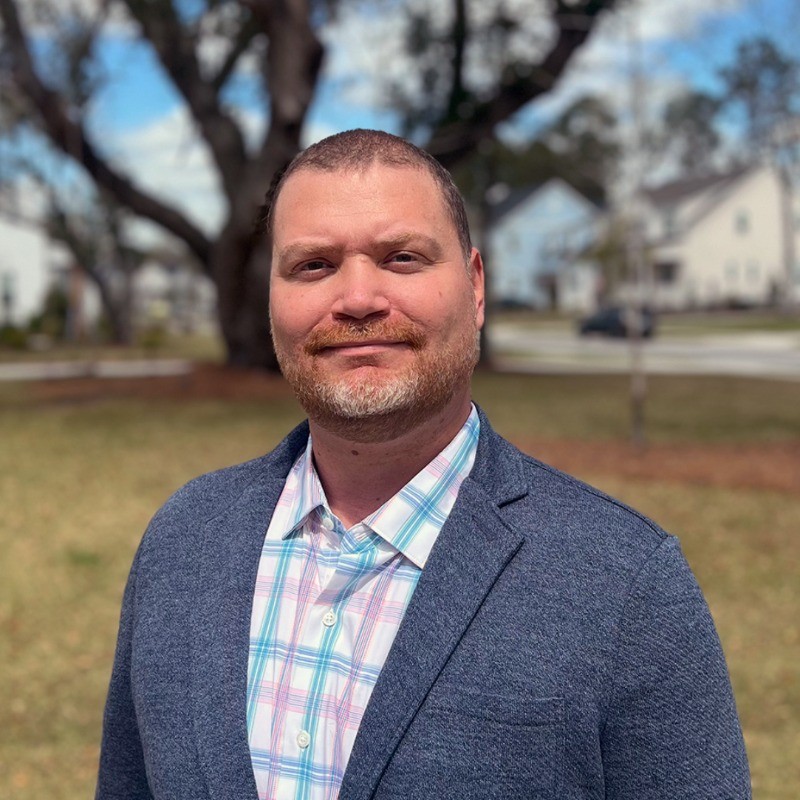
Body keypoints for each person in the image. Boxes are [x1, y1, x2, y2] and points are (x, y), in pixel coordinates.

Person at [96, 129, 751, 800]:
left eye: (402, 257)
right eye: (313, 265)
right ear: (270, 298)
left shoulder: (625, 584)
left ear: (473, 287)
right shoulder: (183, 542)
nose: (356, 298)